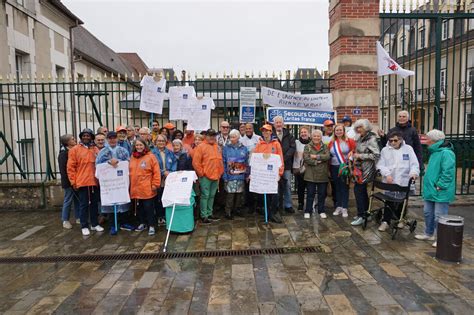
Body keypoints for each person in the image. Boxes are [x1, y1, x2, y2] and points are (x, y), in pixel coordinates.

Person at [415, 129, 455, 247]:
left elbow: (448, 172)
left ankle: (441, 238)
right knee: (428, 213)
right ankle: (429, 233)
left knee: (440, 216)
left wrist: (440, 185)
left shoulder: (446, 153)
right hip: (431, 189)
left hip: (440, 190)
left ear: (433, 140)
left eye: (427, 138)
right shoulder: (435, 151)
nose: (425, 141)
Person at [377, 131, 420, 232]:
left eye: (395, 140)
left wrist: (414, 172)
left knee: (402, 201)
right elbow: (380, 165)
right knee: (389, 201)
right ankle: (386, 221)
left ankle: (401, 219)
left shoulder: (408, 149)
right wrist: (387, 174)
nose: (392, 142)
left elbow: (414, 163)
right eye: (390, 140)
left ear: (400, 140)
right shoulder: (385, 150)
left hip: (404, 179)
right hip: (390, 181)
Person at [67, 128, 104, 236]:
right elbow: (70, 167)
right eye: (84, 135)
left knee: (94, 204)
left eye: (88, 135)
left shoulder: (95, 149)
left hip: (94, 181)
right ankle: (84, 225)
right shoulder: (75, 150)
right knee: (83, 205)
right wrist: (73, 182)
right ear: (81, 137)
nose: (86, 137)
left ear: (91, 137)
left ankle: (94, 223)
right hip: (82, 181)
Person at [95, 131, 132, 234]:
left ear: (116, 139)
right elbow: (98, 164)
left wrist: (119, 162)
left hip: (120, 181)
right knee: (111, 201)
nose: (112, 140)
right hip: (109, 183)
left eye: (114, 138)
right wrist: (108, 162)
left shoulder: (123, 151)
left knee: (122, 200)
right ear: (107, 139)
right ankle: (112, 224)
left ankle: (123, 222)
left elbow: (128, 162)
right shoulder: (103, 152)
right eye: (110, 138)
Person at [350, 119, 380, 226]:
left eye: (361, 127)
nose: (359, 129)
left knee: (359, 191)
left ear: (366, 127)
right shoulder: (359, 138)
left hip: (366, 169)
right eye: (357, 127)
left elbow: (376, 155)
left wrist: (360, 156)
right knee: (359, 191)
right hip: (358, 168)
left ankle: (362, 215)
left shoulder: (371, 138)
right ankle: (365, 213)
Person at [129, 138, 161, 236]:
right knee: (139, 207)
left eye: (140, 145)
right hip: (135, 188)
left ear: (144, 146)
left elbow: (156, 172)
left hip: (147, 188)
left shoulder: (150, 157)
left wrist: (155, 184)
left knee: (149, 208)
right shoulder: (132, 157)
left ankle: (151, 225)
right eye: (137, 145)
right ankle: (142, 223)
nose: (139, 147)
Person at [254, 124, 284, 223]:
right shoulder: (259, 144)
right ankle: (267, 213)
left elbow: (280, 159)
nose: (265, 133)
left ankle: (274, 213)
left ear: (271, 132)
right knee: (265, 195)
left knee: (275, 195)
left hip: (273, 174)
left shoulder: (276, 144)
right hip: (263, 174)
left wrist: (280, 173)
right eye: (263, 131)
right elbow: (256, 159)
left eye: (267, 131)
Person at [192, 129, 224, 224]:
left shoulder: (217, 147)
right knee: (205, 196)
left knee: (212, 196)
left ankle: (210, 213)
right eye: (210, 135)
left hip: (216, 176)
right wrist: (202, 174)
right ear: (206, 136)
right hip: (205, 176)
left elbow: (220, 160)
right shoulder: (201, 147)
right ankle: (204, 215)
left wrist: (220, 172)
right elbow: (196, 162)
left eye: (214, 135)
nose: (212, 137)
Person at [328, 124, 356, 218]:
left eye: (340, 130)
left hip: (344, 166)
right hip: (334, 166)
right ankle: (338, 206)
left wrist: (352, 153)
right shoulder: (332, 142)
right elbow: (329, 154)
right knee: (336, 187)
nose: (338, 132)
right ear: (334, 132)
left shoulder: (349, 141)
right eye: (337, 130)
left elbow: (354, 151)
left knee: (344, 186)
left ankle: (344, 207)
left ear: (344, 131)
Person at [303, 130, 330, 219]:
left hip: (322, 174)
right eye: (314, 136)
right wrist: (317, 162)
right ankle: (308, 210)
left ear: (321, 137)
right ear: (312, 136)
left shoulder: (325, 146)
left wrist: (316, 157)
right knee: (310, 194)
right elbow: (306, 158)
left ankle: (321, 210)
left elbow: (327, 156)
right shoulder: (307, 146)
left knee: (322, 194)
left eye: (318, 136)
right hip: (310, 174)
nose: (316, 138)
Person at [222, 129, 249, 219]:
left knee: (239, 194)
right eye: (231, 137)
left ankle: (237, 210)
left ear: (238, 137)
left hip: (241, 175)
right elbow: (224, 162)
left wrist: (247, 174)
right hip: (230, 175)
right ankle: (228, 212)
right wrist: (224, 175)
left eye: (234, 137)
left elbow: (246, 162)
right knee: (230, 194)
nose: (232, 139)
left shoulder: (244, 148)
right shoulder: (226, 148)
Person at [273, 116, 296, 213]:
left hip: (286, 165)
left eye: (280, 122)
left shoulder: (289, 135)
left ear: (283, 124)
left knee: (287, 185)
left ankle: (288, 205)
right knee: (275, 186)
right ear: (274, 124)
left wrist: (283, 158)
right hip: (274, 166)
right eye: (276, 122)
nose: (278, 124)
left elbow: (292, 148)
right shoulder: (271, 135)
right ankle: (276, 205)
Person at [152, 134, 177, 225]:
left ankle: (167, 216)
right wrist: (163, 172)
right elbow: (152, 166)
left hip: (168, 179)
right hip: (157, 179)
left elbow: (174, 163)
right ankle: (159, 216)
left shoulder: (170, 152)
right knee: (158, 199)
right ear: (156, 142)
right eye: (159, 141)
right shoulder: (152, 153)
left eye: (163, 141)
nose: (161, 143)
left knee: (166, 197)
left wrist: (170, 172)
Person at [58, 134, 80, 229]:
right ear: (67, 142)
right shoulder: (63, 154)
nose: (74, 139)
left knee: (78, 200)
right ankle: (65, 220)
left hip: (77, 180)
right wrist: (71, 182)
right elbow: (64, 170)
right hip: (69, 182)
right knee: (68, 200)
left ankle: (78, 217)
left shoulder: (74, 150)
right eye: (72, 139)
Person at [239, 123, 261, 213]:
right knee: (248, 186)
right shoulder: (241, 140)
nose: (248, 130)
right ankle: (250, 206)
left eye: (249, 128)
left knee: (258, 186)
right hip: (246, 166)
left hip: (257, 166)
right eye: (246, 128)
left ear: (253, 129)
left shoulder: (258, 138)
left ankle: (259, 206)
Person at [293, 126, 310, 211]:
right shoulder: (296, 142)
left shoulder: (312, 143)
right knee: (300, 187)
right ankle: (300, 203)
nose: (303, 134)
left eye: (305, 132)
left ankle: (310, 204)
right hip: (299, 168)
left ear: (308, 133)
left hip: (310, 168)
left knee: (310, 187)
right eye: (302, 132)